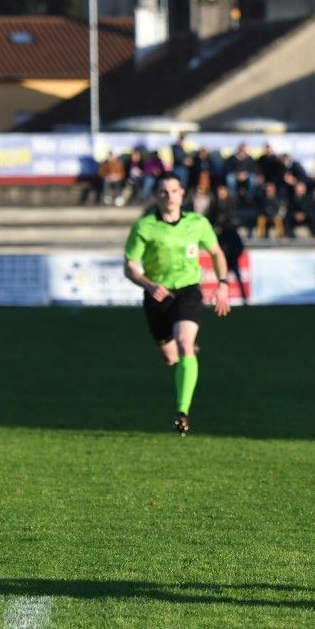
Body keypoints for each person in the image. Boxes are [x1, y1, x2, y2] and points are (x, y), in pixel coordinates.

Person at [123, 172, 232, 435]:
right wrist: (148, 284)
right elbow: (129, 267)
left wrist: (223, 284)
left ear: (182, 193)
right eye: (163, 191)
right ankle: (185, 350)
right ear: (156, 195)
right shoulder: (144, 227)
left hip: (188, 292)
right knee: (171, 358)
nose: (169, 196)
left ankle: (182, 413)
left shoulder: (197, 223)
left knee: (184, 346)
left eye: (174, 191)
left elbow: (216, 253)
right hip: (157, 298)